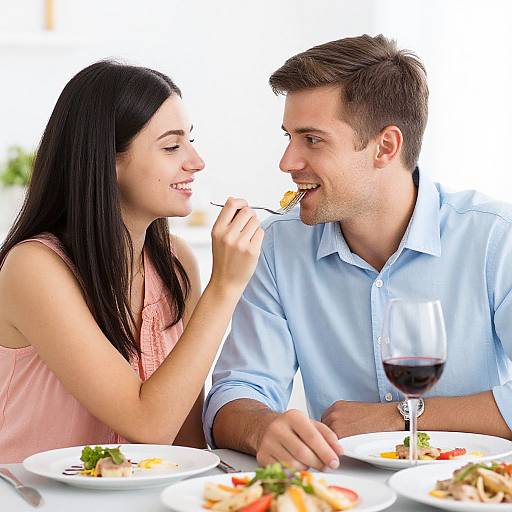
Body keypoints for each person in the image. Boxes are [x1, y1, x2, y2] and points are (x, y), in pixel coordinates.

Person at [204, 34, 512, 471]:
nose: (287, 161)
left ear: (386, 147)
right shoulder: (276, 246)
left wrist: (398, 417)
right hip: (339, 494)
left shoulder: (495, 239)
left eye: (312, 140)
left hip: (465, 490)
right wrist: (262, 427)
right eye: (288, 137)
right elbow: (235, 393)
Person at [0, 60, 264, 463]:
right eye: (172, 146)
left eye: (190, 141)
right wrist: (226, 287)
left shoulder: (176, 263)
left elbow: (187, 442)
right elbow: (150, 425)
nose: (196, 161)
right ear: (108, 161)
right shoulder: (34, 269)